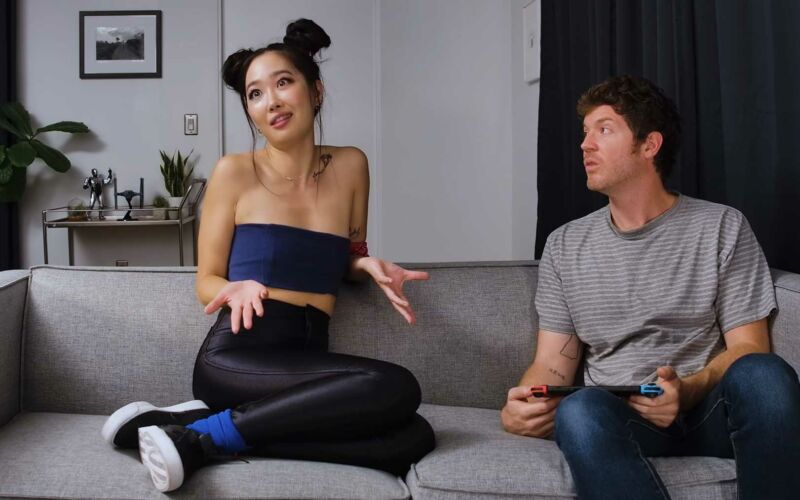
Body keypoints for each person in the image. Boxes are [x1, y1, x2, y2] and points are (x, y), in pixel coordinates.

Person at [102, 19, 435, 492]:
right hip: (240, 357)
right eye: (255, 94)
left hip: (308, 360)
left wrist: (365, 264)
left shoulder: (351, 165)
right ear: (250, 111)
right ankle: (202, 437)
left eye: (283, 83)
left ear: (315, 91)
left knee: (412, 438)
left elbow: (348, 260)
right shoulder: (233, 172)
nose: (271, 101)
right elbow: (206, 280)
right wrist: (232, 287)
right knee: (397, 387)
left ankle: (197, 426)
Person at [501, 75, 800, 499]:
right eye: (585, 132)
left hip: (706, 411)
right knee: (579, 409)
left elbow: (750, 347)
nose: (585, 145)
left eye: (604, 130)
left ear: (649, 145)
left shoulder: (721, 226)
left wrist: (688, 388)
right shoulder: (565, 245)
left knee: (765, 375)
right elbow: (552, 364)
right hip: (621, 419)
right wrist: (522, 405)